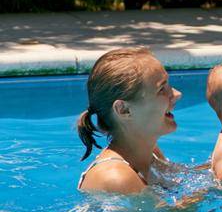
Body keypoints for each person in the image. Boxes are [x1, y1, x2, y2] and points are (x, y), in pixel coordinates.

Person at [76, 47, 187, 196]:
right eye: (161, 89)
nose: (177, 94)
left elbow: (189, 177)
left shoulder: (150, 153)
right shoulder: (117, 177)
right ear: (124, 110)